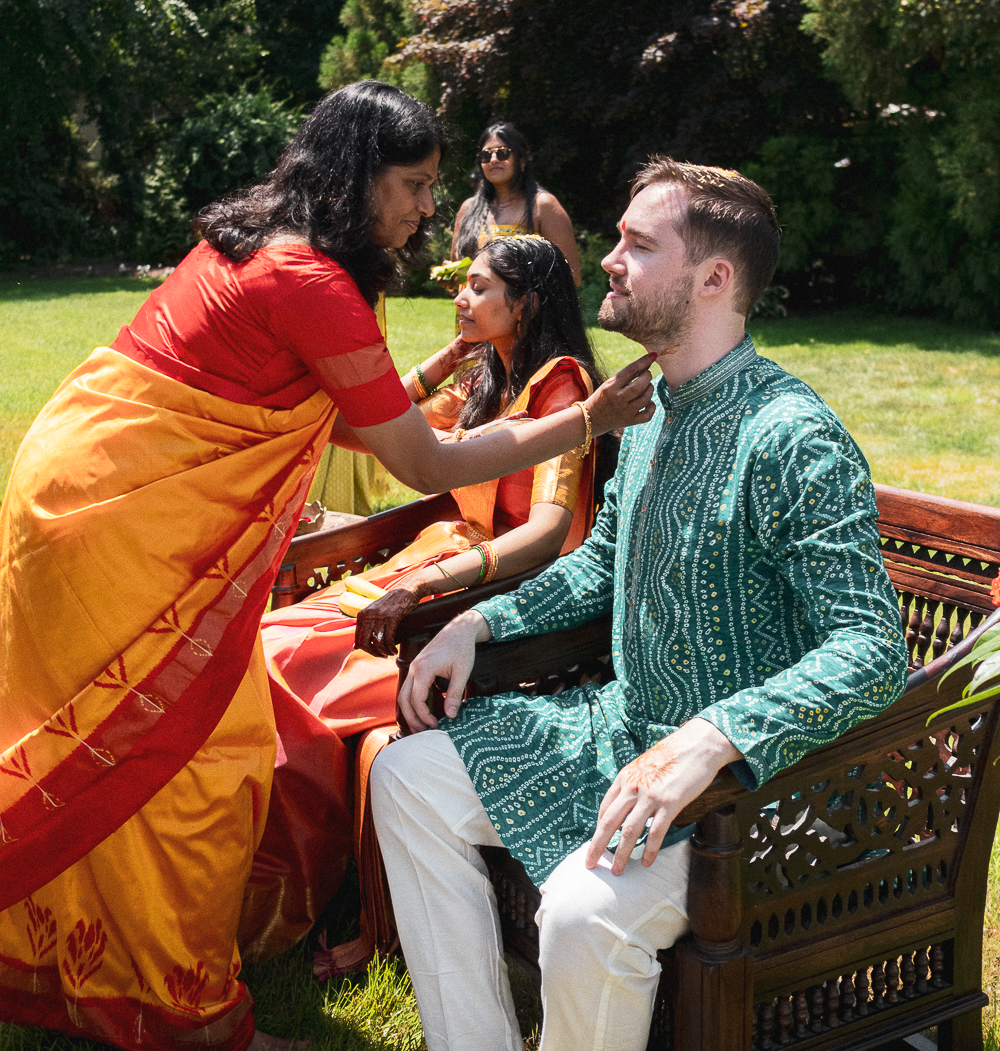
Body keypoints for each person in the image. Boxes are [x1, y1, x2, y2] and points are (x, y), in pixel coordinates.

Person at [0, 82, 655, 1051]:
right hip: (122, 531)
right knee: (192, 763)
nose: (429, 207)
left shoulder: (261, 241)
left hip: (75, 494)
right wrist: (590, 420)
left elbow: (348, 413)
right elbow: (421, 462)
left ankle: (121, 972)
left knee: (148, 746)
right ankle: (190, 1016)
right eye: (414, 184)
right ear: (357, 177)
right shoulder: (306, 278)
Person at [371, 157, 911, 1051]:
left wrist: (713, 738)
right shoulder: (654, 406)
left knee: (582, 915)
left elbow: (868, 646)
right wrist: (479, 620)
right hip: (619, 736)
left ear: (712, 278)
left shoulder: (794, 438)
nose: (608, 259)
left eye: (636, 244)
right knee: (406, 780)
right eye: (616, 239)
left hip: (758, 797)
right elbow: (603, 564)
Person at [240, 237, 603, 962]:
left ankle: (303, 888)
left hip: (504, 598)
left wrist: (423, 585)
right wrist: (436, 367)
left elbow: (546, 534)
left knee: (291, 665)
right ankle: (267, 869)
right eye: (460, 287)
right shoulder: (485, 376)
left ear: (525, 302)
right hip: (437, 560)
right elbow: (358, 428)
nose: (460, 299)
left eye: (477, 287)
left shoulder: (562, 387)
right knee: (268, 643)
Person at [451, 122, 582, 285]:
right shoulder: (468, 209)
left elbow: (571, 276)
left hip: (522, 309)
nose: (493, 159)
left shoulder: (542, 206)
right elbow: (458, 269)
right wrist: (450, 276)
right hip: (470, 309)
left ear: (521, 161)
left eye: (502, 153)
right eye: (486, 155)